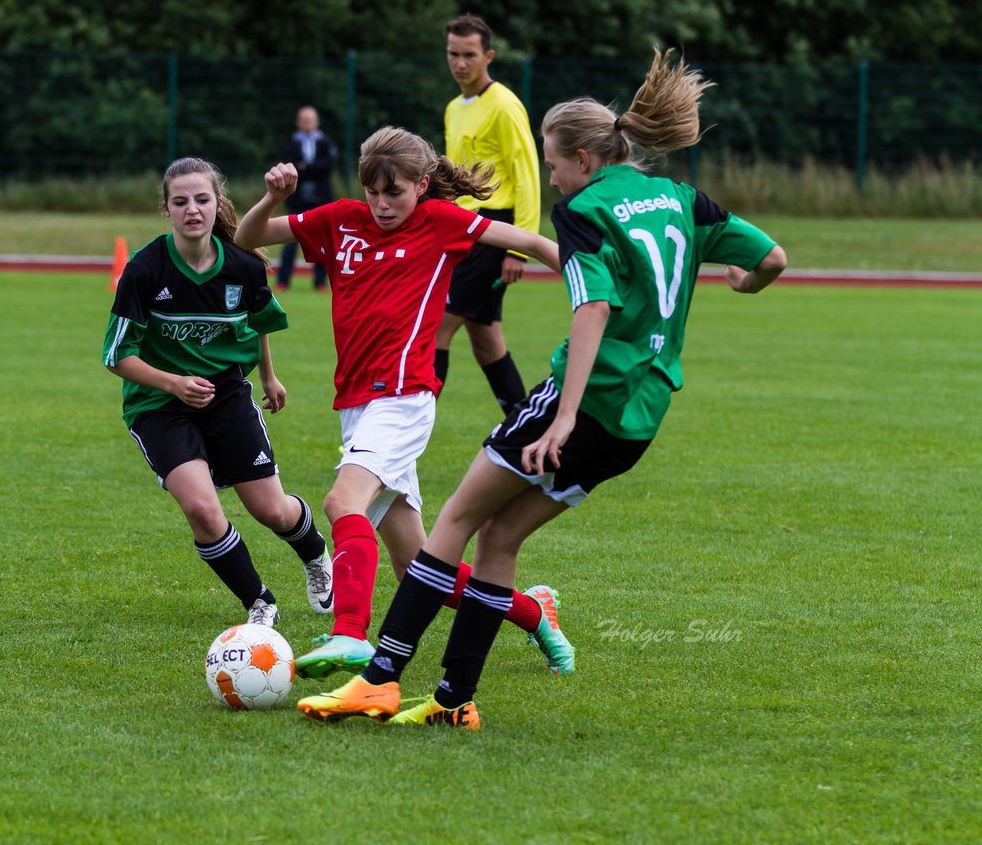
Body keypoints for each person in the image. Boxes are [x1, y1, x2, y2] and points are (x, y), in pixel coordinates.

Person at [297, 49, 788, 728]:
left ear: (583, 160)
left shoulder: (586, 210)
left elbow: (592, 309)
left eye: (553, 163)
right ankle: (453, 701)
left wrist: (560, 419)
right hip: (639, 421)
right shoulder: (684, 201)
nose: (551, 177)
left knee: (454, 524)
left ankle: (378, 679)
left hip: (582, 403)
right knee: (499, 540)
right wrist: (744, 282)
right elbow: (772, 258)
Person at [234, 126, 573, 681]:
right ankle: (536, 613)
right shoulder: (340, 219)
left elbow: (532, 244)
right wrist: (272, 196)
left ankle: (349, 633)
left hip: (405, 396)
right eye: (374, 191)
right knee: (418, 569)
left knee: (344, 501)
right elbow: (250, 238)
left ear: (422, 184)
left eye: (396, 191)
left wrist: (598, 285)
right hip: (357, 406)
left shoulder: (443, 222)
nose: (383, 203)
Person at [102, 157, 333, 629]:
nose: (192, 209)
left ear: (218, 204)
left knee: (272, 509)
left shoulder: (243, 267)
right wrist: (174, 383)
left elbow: (261, 322)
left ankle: (314, 554)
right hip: (159, 404)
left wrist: (269, 376)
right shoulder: (144, 271)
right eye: (180, 201)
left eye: (202, 200)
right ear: (165, 209)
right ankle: (259, 602)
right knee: (203, 510)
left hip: (226, 394)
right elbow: (115, 355)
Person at [435, 14, 541, 415]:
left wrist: (520, 250)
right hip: (462, 232)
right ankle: (524, 424)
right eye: (453, 54)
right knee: (485, 338)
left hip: (494, 233)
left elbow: (527, 176)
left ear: (488, 56)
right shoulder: (453, 108)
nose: (460, 63)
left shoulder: (505, 106)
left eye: (469, 55)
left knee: (436, 331)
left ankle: (398, 442)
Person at [275, 106, 338, 292]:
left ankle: (320, 282)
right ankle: (283, 281)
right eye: (304, 120)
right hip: (297, 199)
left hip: (321, 199)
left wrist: (304, 168)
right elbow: (289, 165)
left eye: (310, 119)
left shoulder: (326, 142)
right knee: (290, 241)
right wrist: (311, 168)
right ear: (298, 122)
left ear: (316, 122)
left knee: (322, 241)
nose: (307, 123)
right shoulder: (291, 143)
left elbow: (328, 166)